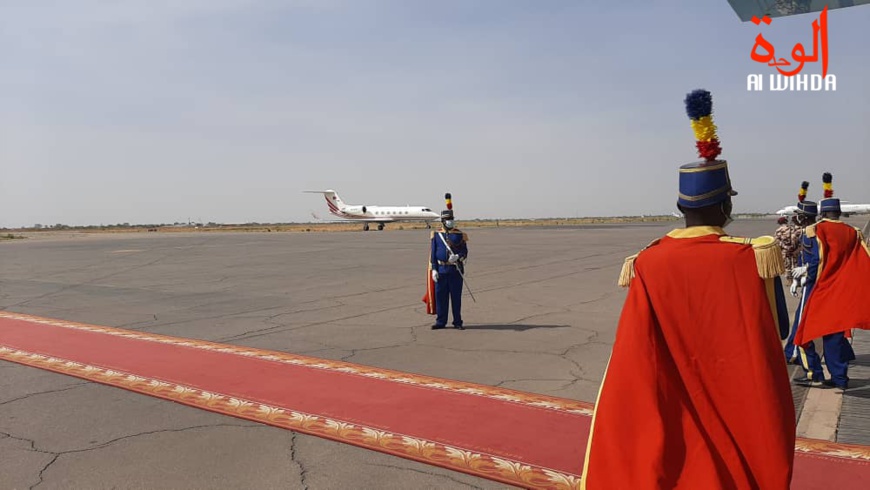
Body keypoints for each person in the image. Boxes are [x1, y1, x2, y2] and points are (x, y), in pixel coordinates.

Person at [582, 89, 794, 490]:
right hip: (738, 398)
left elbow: (637, 349)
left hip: (673, 404)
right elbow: (778, 331)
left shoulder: (647, 260)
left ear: (681, 207)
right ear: (725, 208)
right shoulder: (751, 256)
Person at [791, 173, 870, 390]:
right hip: (844, 290)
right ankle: (840, 378)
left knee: (803, 333)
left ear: (822, 213)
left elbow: (814, 263)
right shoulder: (853, 232)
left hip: (822, 289)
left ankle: (815, 374)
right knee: (836, 336)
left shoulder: (814, 230)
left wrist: (805, 279)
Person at [783, 185, 819, 368]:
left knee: (801, 319)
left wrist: (806, 273)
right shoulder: (807, 232)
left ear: (803, 217)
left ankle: (794, 352)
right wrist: (796, 279)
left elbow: (817, 259)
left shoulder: (814, 234)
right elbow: (804, 256)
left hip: (813, 284)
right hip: (807, 281)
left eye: (798, 215)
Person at [429, 195, 469, 330]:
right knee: (441, 298)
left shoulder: (459, 234)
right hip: (441, 271)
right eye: (447, 220)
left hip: (455, 271)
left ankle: (458, 322)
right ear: (443, 221)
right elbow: (433, 254)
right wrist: (434, 269)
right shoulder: (436, 235)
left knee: (456, 298)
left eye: (451, 219)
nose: (450, 222)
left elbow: (465, 252)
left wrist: (458, 257)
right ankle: (441, 322)